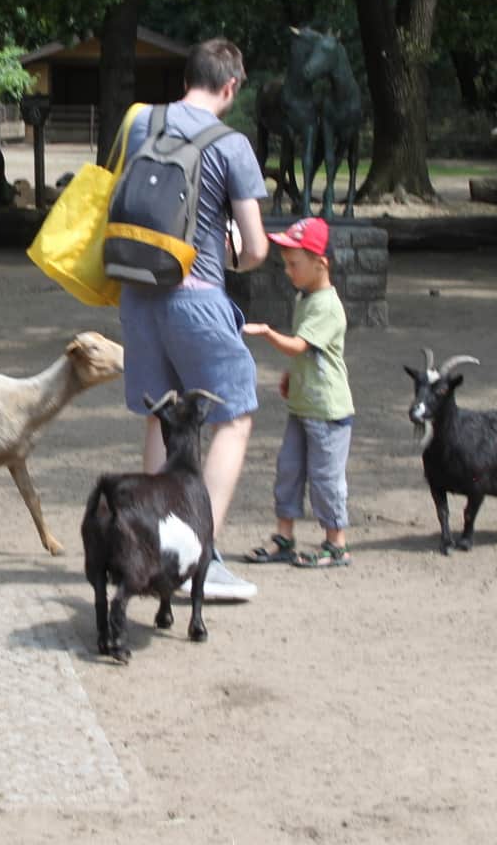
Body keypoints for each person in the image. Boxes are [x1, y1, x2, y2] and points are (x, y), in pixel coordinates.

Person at [116, 38, 270, 601]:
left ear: (189, 77)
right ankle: (199, 556)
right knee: (234, 415)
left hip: (137, 293)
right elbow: (254, 249)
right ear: (230, 87)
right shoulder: (231, 144)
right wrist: (231, 249)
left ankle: (154, 554)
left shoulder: (141, 123)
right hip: (197, 298)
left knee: (160, 419)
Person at [242, 217, 353, 568]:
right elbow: (308, 352)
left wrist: (266, 332)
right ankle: (284, 538)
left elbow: (298, 344)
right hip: (304, 405)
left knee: (325, 477)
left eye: (294, 264)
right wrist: (293, 375)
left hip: (328, 410)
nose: (288, 272)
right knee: (288, 469)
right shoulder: (305, 298)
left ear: (321, 263)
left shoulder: (327, 305)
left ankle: (336, 544)